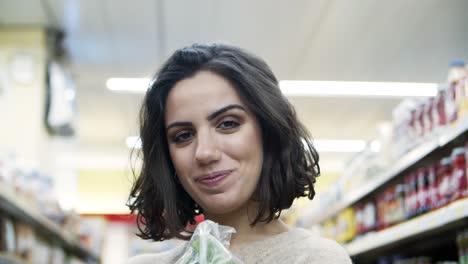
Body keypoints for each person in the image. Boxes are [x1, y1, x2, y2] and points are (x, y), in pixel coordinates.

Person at [127, 43, 352, 264]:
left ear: (268, 130)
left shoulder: (317, 259)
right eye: (183, 136)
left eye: (227, 123)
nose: (204, 152)